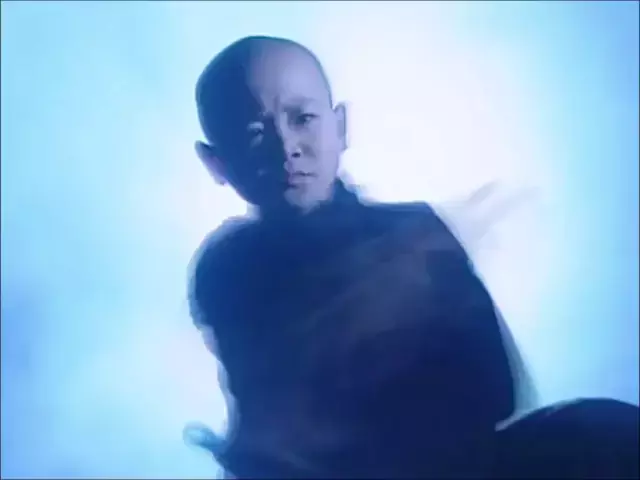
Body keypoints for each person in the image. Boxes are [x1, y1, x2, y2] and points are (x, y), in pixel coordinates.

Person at [186, 36, 639, 478]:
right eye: (253, 133)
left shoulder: (411, 231)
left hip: (457, 464)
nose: (286, 147)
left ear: (341, 127)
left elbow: (496, 392)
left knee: (603, 432)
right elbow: (273, 428)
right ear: (216, 163)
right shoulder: (226, 272)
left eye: (303, 118)